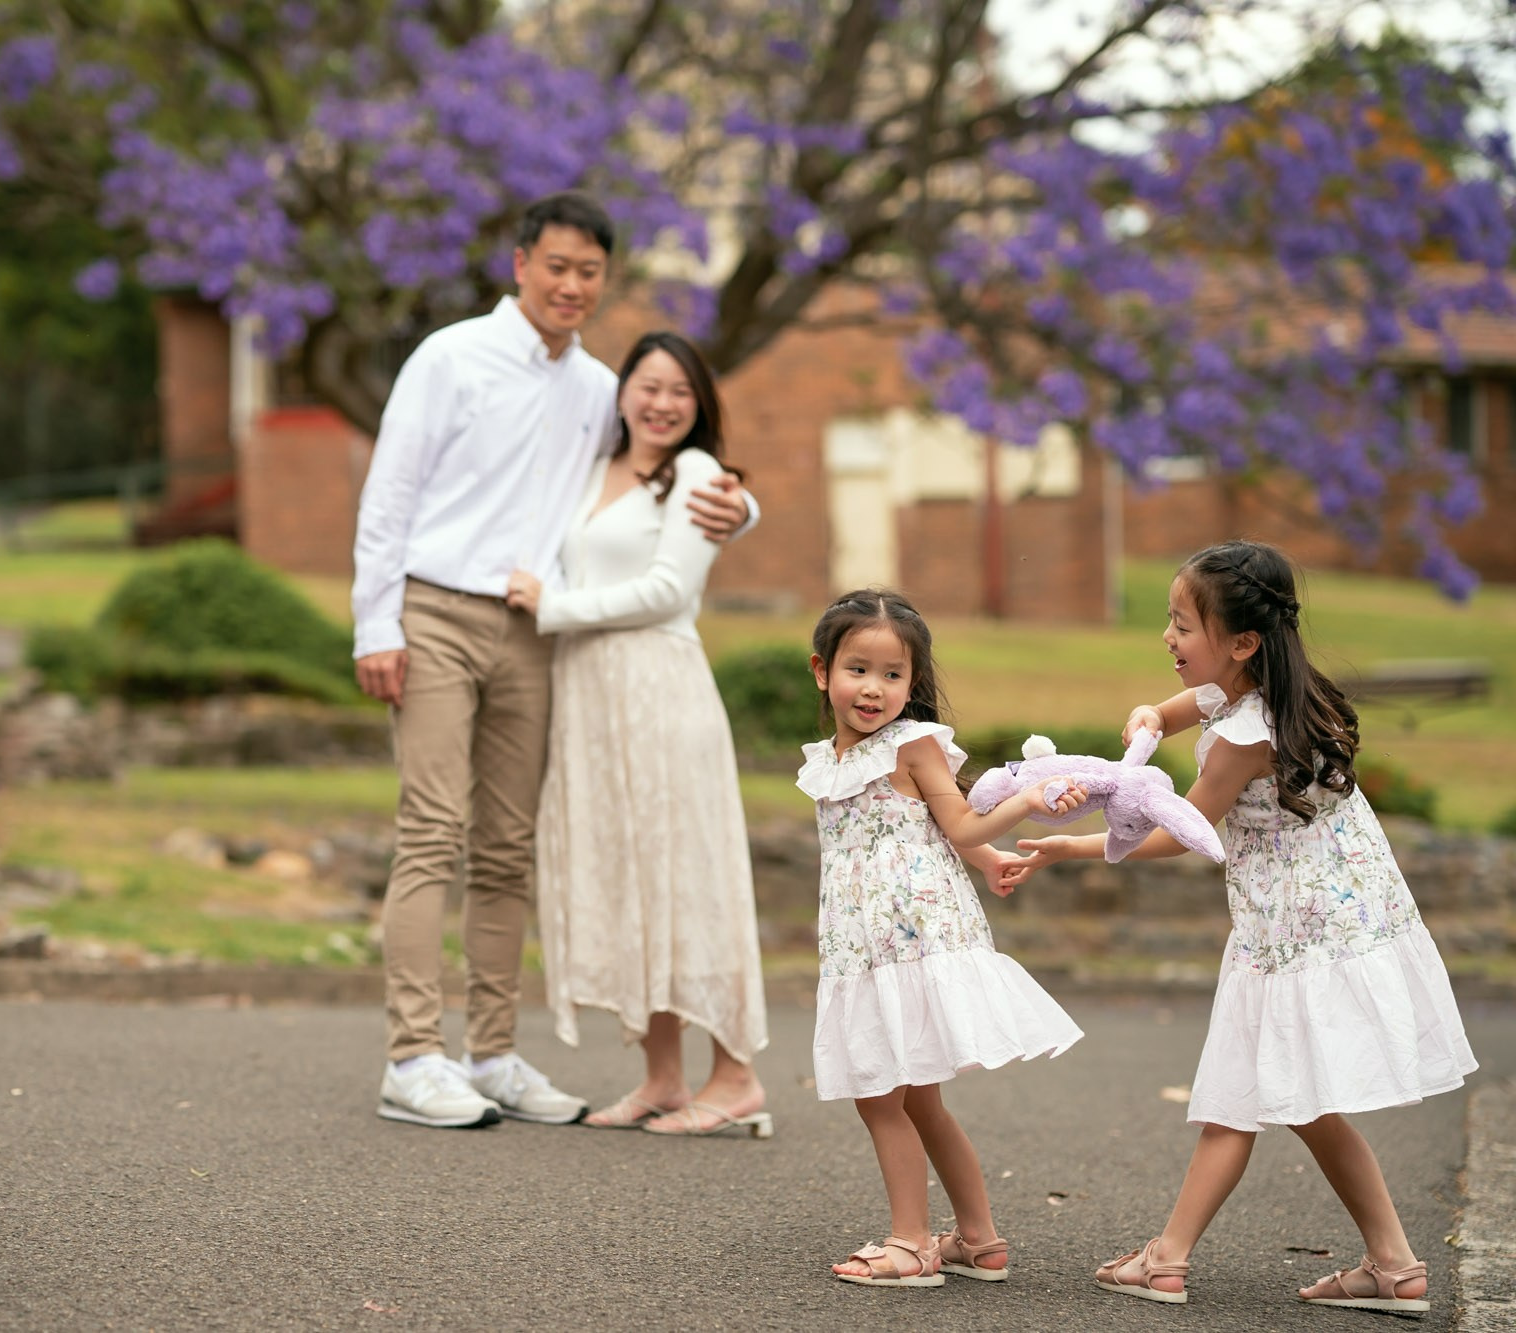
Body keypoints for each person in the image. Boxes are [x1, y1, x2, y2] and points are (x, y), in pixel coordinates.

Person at [351, 192, 755, 1130]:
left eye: (589, 272)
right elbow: (390, 493)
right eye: (557, 266)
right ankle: (412, 1057)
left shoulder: (597, 389)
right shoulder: (448, 357)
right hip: (437, 609)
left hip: (538, 632)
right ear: (521, 262)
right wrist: (377, 624)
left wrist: (745, 508)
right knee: (432, 830)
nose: (572, 285)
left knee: (504, 847)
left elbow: (668, 470)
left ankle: (489, 1052)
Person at [1017, 540, 1477, 1311]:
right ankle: (1393, 1265)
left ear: (1241, 641)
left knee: (1240, 1094)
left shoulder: (1243, 735)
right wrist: (1147, 717)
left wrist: (1077, 836)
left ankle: (1167, 1257)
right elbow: (1170, 710)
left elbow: (1182, 830)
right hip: (1334, 920)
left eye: (1181, 625)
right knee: (1302, 1101)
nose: (1167, 637)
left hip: (1292, 939)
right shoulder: (1270, 690)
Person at [504, 331, 769, 1137]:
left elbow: (666, 589)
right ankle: (661, 1076)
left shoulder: (694, 474)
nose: (661, 403)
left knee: (688, 872)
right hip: (589, 695)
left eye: (680, 392)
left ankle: (735, 1076)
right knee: (631, 875)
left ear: (699, 408)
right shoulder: (592, 469)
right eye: (648, 385)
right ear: (622, 393)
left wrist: (551, 606)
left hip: (659, 686)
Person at [800, 588, 1084, 1288]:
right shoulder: (831, 757)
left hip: (909, 940)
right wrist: (991, 865)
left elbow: (956, 820)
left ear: (913, 683)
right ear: (821, 670)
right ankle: (980, 1239)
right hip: (864, 940)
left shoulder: (913, 742)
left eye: (893, 675)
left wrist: (1020, 808)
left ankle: (911, 1241)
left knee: (881, 1094)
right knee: (918, 1098)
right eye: (858, 669)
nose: (873, 688)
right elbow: (926, 825)